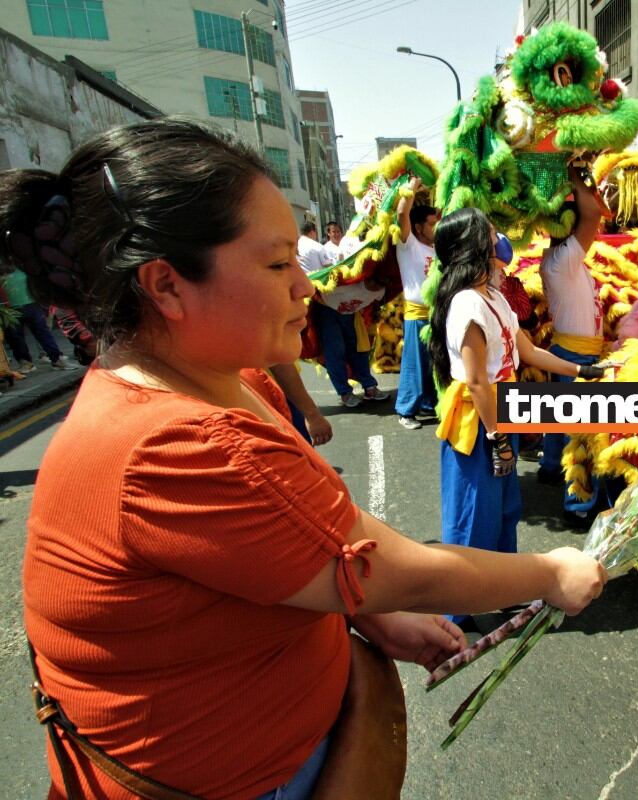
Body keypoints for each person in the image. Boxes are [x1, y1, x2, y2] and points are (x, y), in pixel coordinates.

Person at [5, 117, 606, 799]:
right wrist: (553, 572)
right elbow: (382, 567)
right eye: (275, 263)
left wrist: (364, 612)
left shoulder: (228, 380)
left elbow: (296, 548)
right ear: (166, 285)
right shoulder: (175, 446)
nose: (307, 286)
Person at [429, 207, 606, 626]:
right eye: (491, 235)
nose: (500, 241)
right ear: (473, 246)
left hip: (500, 411)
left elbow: (527, 351)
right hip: (478, 423)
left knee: (505, 511)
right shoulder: (466, 304)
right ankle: (457, 612)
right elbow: (475, 382)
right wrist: (497, 441)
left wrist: (581, 370)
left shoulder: (494, 297)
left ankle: (504, 589)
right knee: (471, 518)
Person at [537, 166, 605, 528]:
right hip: (577, 355)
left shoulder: (555, 259)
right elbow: (593, 213)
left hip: (567, 348)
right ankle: (577, 502)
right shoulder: (563, 260)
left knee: (558, 418)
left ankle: (550, 467)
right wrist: (575, 173)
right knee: (579, 429)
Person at [393, 185, 439, 430]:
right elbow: (402, 215)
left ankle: (428, 404)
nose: (435, 227)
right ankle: (405, 410)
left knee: (434, 363)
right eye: (432, 224)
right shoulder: (407, 243)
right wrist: (409, 190)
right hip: (417, 315)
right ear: (419, 226)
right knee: (415, 364)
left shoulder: (435, 247)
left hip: (436, 315)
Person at [310, 275, 392, 408]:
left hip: (351, 314)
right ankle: (345, 393)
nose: (379, 286)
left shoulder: (380, 291)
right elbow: (317, 290)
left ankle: (369, 387)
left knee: (360, 349)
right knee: (335, 352)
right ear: (368, 279)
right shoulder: (345, 286)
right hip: (328, 312)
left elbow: (376, 304)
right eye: (377, 282)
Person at [1, 268, 71, 370]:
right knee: (16, 338)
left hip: (31, 305)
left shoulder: (22, 266)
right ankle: (25, 363)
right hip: (10, 309)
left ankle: (57, 359)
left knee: (43, 333)